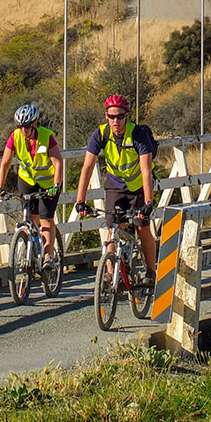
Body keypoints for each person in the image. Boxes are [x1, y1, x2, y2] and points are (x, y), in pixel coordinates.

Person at [74, 94, 157, 286]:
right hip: (115, 185)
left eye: (120, 116)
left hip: (138, 187)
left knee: (141, 225)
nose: (115, 121)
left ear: (126, 116)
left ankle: (151, 271)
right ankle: (111, 274)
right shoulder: (101, 134)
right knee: (112, 228)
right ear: (106, 116)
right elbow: (87, 167)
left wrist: (148, 202)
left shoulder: (138, 134)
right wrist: (80, 201)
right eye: (111, 117)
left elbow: (146, 170)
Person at [0, 104, 64, 267]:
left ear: (34, 124)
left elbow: (58, 161)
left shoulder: (47, 137)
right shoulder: (15, 136)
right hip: (26, 180)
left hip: (48, 183)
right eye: (20, 126)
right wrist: (0, 187)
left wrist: (56, 184)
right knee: (29, 217)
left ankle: (48, 256)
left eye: (26, 126)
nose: (23, 130)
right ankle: (29, 250)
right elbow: (5, 162)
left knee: (46, 218)